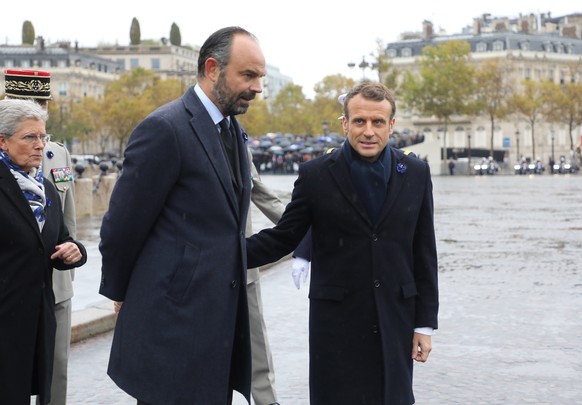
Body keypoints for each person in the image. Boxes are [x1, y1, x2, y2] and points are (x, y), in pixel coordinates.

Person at [98, 26, 266, 405]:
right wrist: (123, 293)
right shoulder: (164, 128)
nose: (257, 88)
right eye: (248, 75)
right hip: (173, 327)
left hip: (216, 324)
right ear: (212, 68)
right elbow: (122, 225)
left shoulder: (233, 131)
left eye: (260, 77)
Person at [246, 82, 439, 405]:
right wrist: (221, 252)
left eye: (378, 122)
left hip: (396, 317)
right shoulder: (315, 174)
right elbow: (284, 237)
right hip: (336, 324)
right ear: (344, 123)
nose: (368, 131)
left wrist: (425, 324)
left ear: (391, 125)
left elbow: (425, 252)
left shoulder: (416, 173)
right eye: (360, 121)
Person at [0, 98, 87, 405]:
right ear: (3, 141)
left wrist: (74, 251)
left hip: (39, 315)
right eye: (30, 137)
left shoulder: (45, 186)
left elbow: (62, 236)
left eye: (43, 137)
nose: (40, 146)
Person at [245, 148, 285, 405]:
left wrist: (302, 224)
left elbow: (260, 192)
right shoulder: (178, 132)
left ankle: (267, 402)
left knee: (256, 341)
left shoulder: (238, 141)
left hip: (242, 262)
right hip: (197, 265)